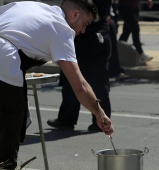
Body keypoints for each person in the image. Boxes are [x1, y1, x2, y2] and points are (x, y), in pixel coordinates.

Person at [0, 0, 114, 169]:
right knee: (11, 120)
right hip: (5, 59)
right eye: (85, 24)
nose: (83, 31)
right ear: (75, 14)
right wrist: (100, 113)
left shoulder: (34, 6)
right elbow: (80, 86)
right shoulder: (62, 29)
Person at [47, 0, 112, 131]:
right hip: (86, 35)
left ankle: (101, 120)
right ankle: (67, 118)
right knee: (71, 78)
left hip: (94, 34)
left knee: (96, 80)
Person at [107, 0, 130, 81]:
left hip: (110, 15)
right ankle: (115, 72)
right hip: (104, 19)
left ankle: (115, 71)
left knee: (112, 46)